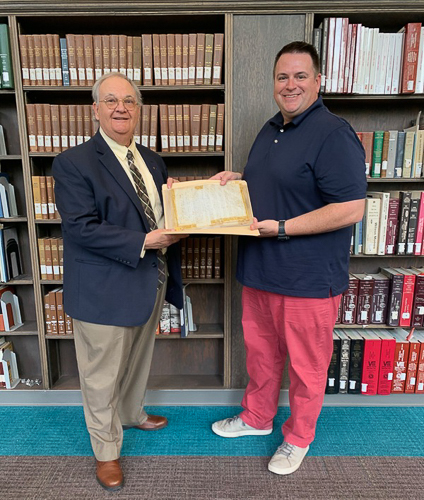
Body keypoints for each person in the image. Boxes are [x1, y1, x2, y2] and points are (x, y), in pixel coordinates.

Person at [211, 41, 367, 475]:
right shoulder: (270, 128)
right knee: (261, 357)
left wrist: (281, 228)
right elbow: (280, 182)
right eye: (283, 77)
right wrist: (239, 179)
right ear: (274, 83)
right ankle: (257, 419)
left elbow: (351, 208)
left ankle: (297, 438)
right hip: (261, 271)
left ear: (318, 81)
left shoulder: (334, 134)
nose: (291, 84)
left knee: (306, 367)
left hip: (308, 279)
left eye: (300, 76)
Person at [53, 73, 185, 491]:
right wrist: (147, 240)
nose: (121, 108)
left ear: (139, 109)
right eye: (111, 100)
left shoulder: (152, 159)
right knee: (101, 374)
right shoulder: (73, 163)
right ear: (95, 109)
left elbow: (159, 211)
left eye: (129, 100)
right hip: (103, 288)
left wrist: (192, 197)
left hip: (149, 277)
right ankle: (106, 451)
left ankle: (130, 413)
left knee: (137, 359)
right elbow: (80, 228)